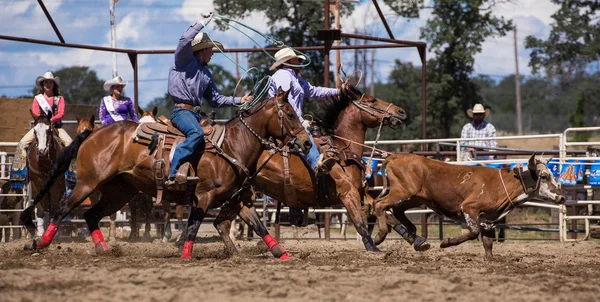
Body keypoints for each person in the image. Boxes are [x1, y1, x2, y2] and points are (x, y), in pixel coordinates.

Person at [165, 12, 253, 188]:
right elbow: (184, 40)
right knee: (196, 133)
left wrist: (239, 100)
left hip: (195, 114)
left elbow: (216, 99)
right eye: (211, 49)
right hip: (181, 111)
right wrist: (201, 22)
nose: (212, 53)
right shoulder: (183, 60)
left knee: (217, 138)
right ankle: (173, 172)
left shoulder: (206, 74)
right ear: (202, 50)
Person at [267, 47, 340, 176]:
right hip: (285, 121)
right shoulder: (282, 75)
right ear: (288, 61)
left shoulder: (295, 78)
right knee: (304, 135)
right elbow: (283, 103)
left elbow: (314, 91)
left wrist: (338, 92)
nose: (299, 62)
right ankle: (317, 164)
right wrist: (299, 121)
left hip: (291, 119)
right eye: (296, 60)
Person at [12, 71, 72, 172]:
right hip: (39, 127)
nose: (48, 84)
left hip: (56, 127)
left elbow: (61, 113)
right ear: (42, 85)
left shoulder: (59, 99)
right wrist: (44, 122)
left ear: (54, 85)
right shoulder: (37, 99)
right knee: (21, 145)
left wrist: (51, 120)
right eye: (46, 82)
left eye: (50, 82)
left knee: (70, 143)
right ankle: (19, 173)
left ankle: (71, 173)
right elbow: (35, 113)